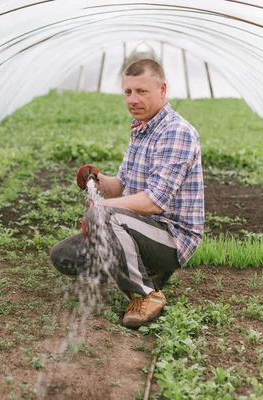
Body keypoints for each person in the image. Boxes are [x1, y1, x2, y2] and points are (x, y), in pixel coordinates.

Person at [49, 58, 204, 328]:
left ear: (162, 90)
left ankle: (146, 295)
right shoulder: (141, 129)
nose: (133, 99)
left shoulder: (176, 132)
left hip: (171, 237)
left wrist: (102, 212)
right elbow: (121, 185)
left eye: (142, 91)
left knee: (103, 217)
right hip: (141, 229)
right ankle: (145, 271)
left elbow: (154, 201)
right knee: (64, 255)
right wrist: (96, 179)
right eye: (128, 92)